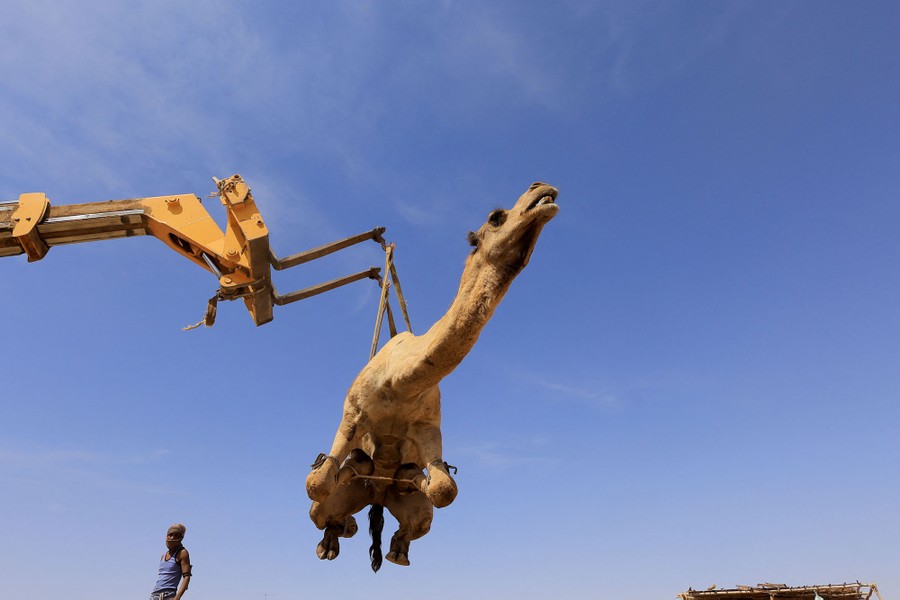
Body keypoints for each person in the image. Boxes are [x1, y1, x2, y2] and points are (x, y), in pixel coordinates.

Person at [149, 523, 192, 600]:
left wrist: (177, 597)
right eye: (171, 535)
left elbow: (186, 577)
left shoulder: (182, 553)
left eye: (176, 535)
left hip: (168, 595)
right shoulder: (163, 555)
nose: (172, 538)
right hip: (154, 595)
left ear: (181, 537)